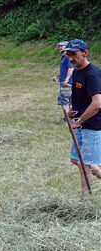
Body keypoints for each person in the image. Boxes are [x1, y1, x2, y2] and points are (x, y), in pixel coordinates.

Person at [65, 39, 101, 191]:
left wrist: (78, 121)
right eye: (69, 55)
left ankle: (87, 203)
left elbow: (97, 103)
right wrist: (72, 111)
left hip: (92, 126)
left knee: (85, 165)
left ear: (85, 53)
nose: (71, 58)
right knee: (76, 160)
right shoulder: (78, 72)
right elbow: (83, 98)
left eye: (75, 54)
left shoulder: (92, 74)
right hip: (81, 124)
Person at [52, 41, 74, 122]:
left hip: (67, 84)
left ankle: (67, 119)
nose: (60, 48)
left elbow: (71, 68)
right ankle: (71, 118)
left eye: (62, 46)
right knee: (69, 100)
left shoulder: (68, 57)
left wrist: (66, 79)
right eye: (59, 46)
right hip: (65, 82)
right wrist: (57, 77)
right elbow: (64, 70)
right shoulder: (64, 57)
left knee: (65, 101)